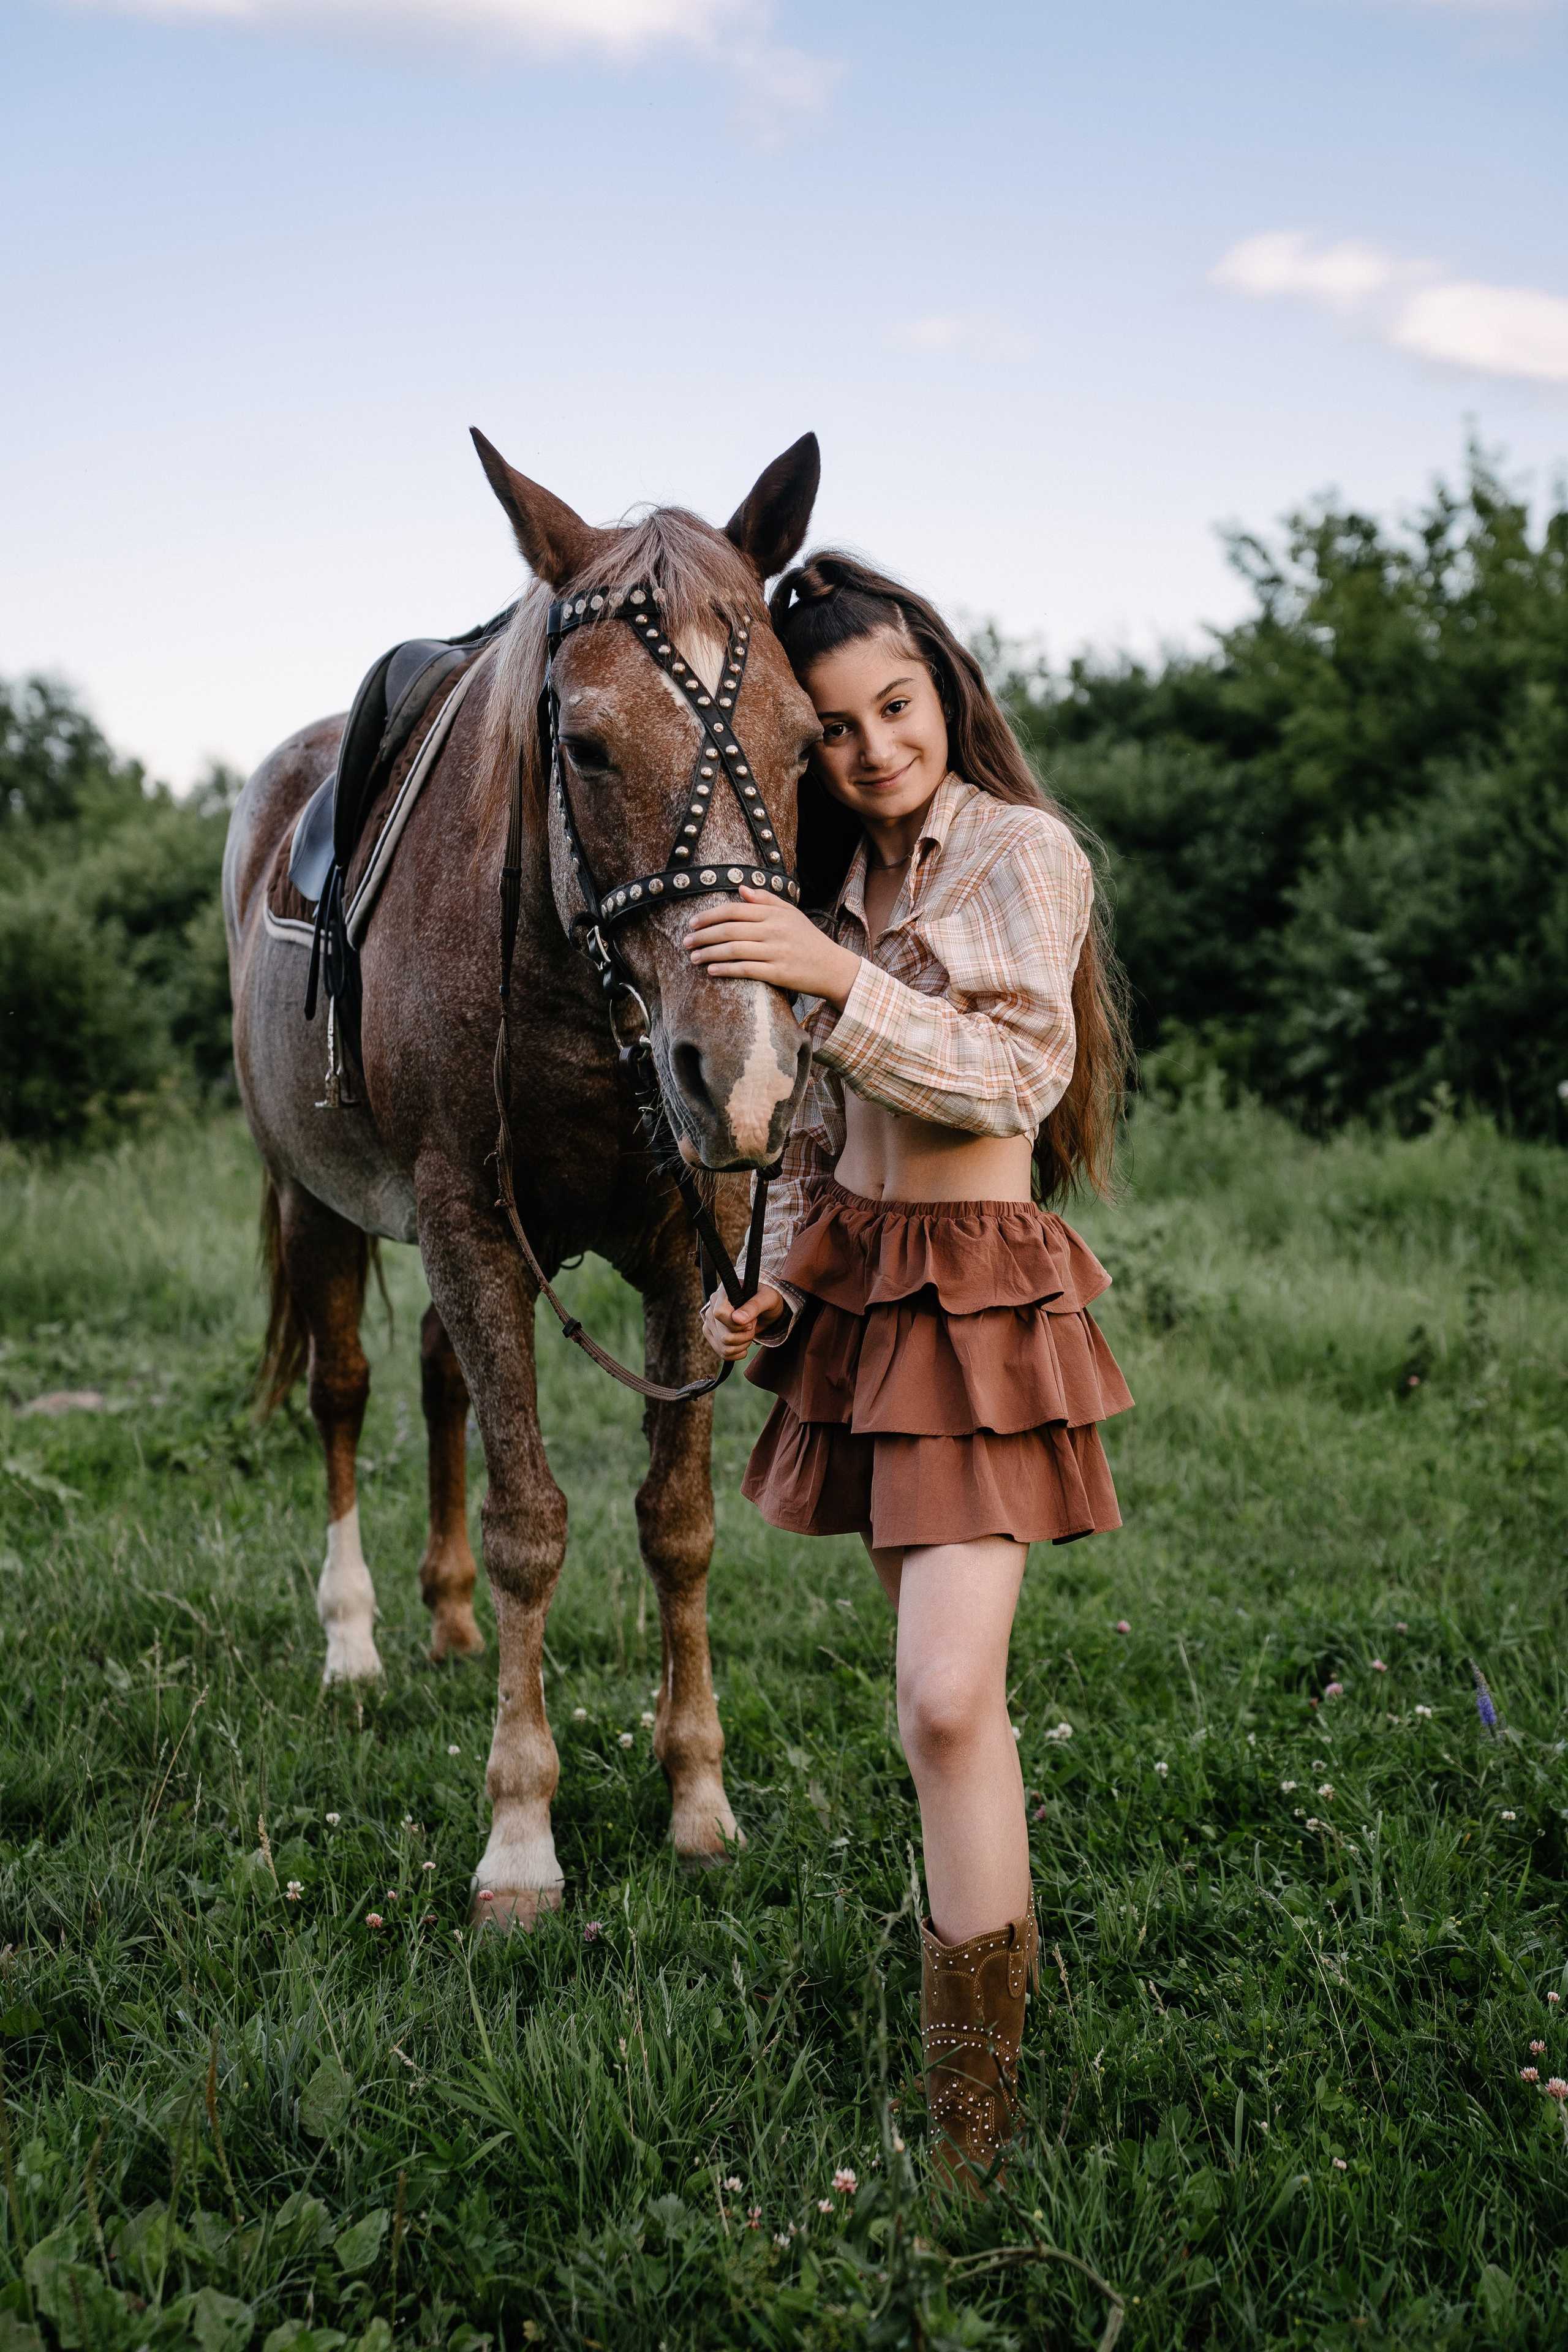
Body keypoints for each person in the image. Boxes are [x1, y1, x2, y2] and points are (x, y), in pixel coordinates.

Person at [685, 552, 1133, 2193]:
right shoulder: (822, 889)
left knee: (948, 1700)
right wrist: (779, 1287)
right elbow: (818, 1138)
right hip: (869, 1296)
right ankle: (976, 2068)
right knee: (940, 1712)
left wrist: (833, 981)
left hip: (983, 1303)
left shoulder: (1024, 855)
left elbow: (1012, 1068)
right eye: (840, 730)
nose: (879, 749)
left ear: (943, 687)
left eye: (899, 705)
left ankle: (972, 2124)